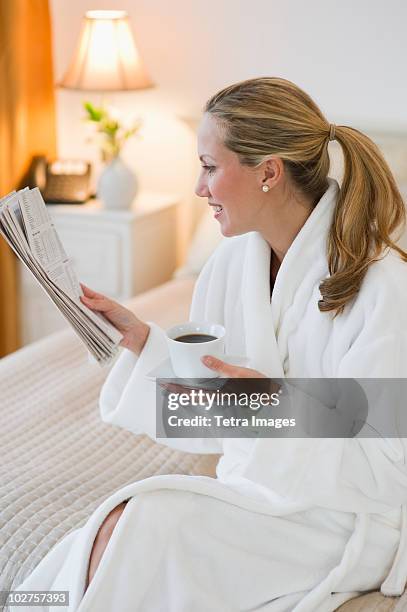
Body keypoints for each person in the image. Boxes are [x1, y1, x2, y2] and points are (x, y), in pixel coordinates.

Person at [12, 77, 407, 612]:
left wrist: (271, 409)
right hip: (255, 494)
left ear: (268, 171)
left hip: (340, 519)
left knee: (145, 523)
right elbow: (209, 422)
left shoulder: (379, 283)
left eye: (208, 166)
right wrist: (143, 343)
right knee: (107, 534)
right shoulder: (229, 265)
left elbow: (386, 470)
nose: (199, 188)